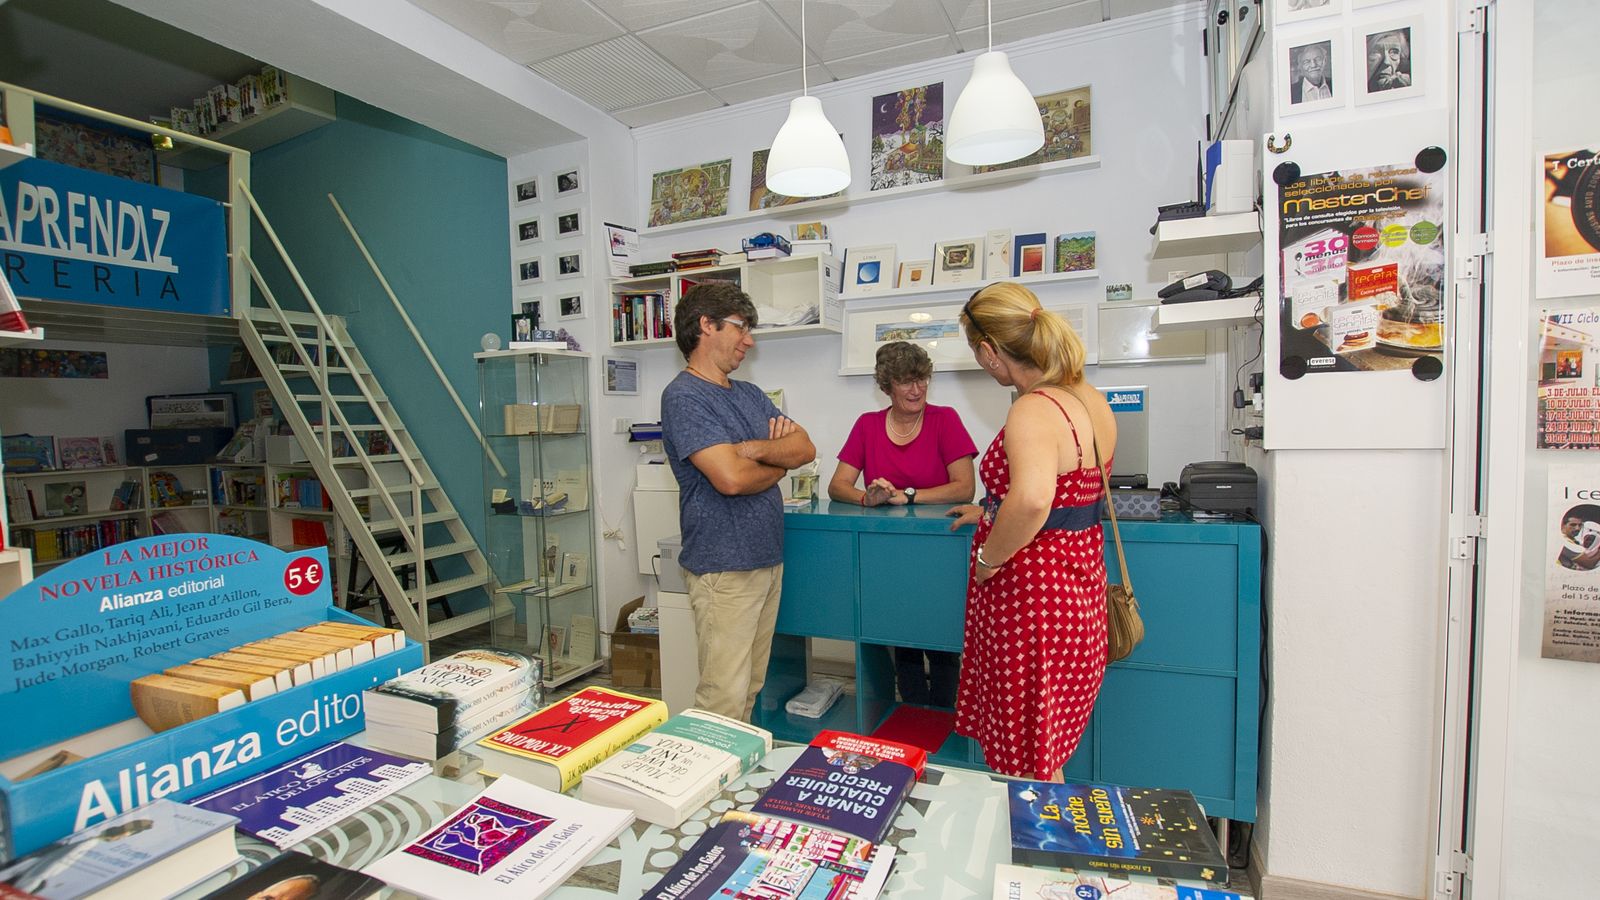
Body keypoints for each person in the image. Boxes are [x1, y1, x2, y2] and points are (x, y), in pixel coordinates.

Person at [946, 282, 1116, 781]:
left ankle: (1036, 851)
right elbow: (1074, 492)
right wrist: (992, 510)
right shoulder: (1087, 397)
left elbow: (1036, 499)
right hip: (1078, 585)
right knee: (1046, 746)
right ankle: (1045, 847)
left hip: (1033, 596)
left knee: (1026, 757)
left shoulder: (1033, 408)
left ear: (989, 351)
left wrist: (988, 559)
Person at [662, 282, 816, 721]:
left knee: (749, 686)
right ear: (706, 326)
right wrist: (773, 462)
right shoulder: (684, 396)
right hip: (723, 568)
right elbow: (729, 480)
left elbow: (804, 448)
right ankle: (708, 787)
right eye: (741, 328)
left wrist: (749, 451)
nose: (749, 340)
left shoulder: (747, 394)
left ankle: (736, 780)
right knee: (722, 697)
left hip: (765, 560)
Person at [828, 341, 977, 707]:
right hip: (888, 553)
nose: (917, 389)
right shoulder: (868, 425)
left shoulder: (946, 420)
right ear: (887, 386)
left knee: (941, 643)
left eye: (922, 379)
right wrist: (869, 497)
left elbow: (965, 487)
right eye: (907, 381)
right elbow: (837, 486)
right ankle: (911, 712)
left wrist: (907, 496)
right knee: (900, 638)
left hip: (938, 550)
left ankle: (941, 714)